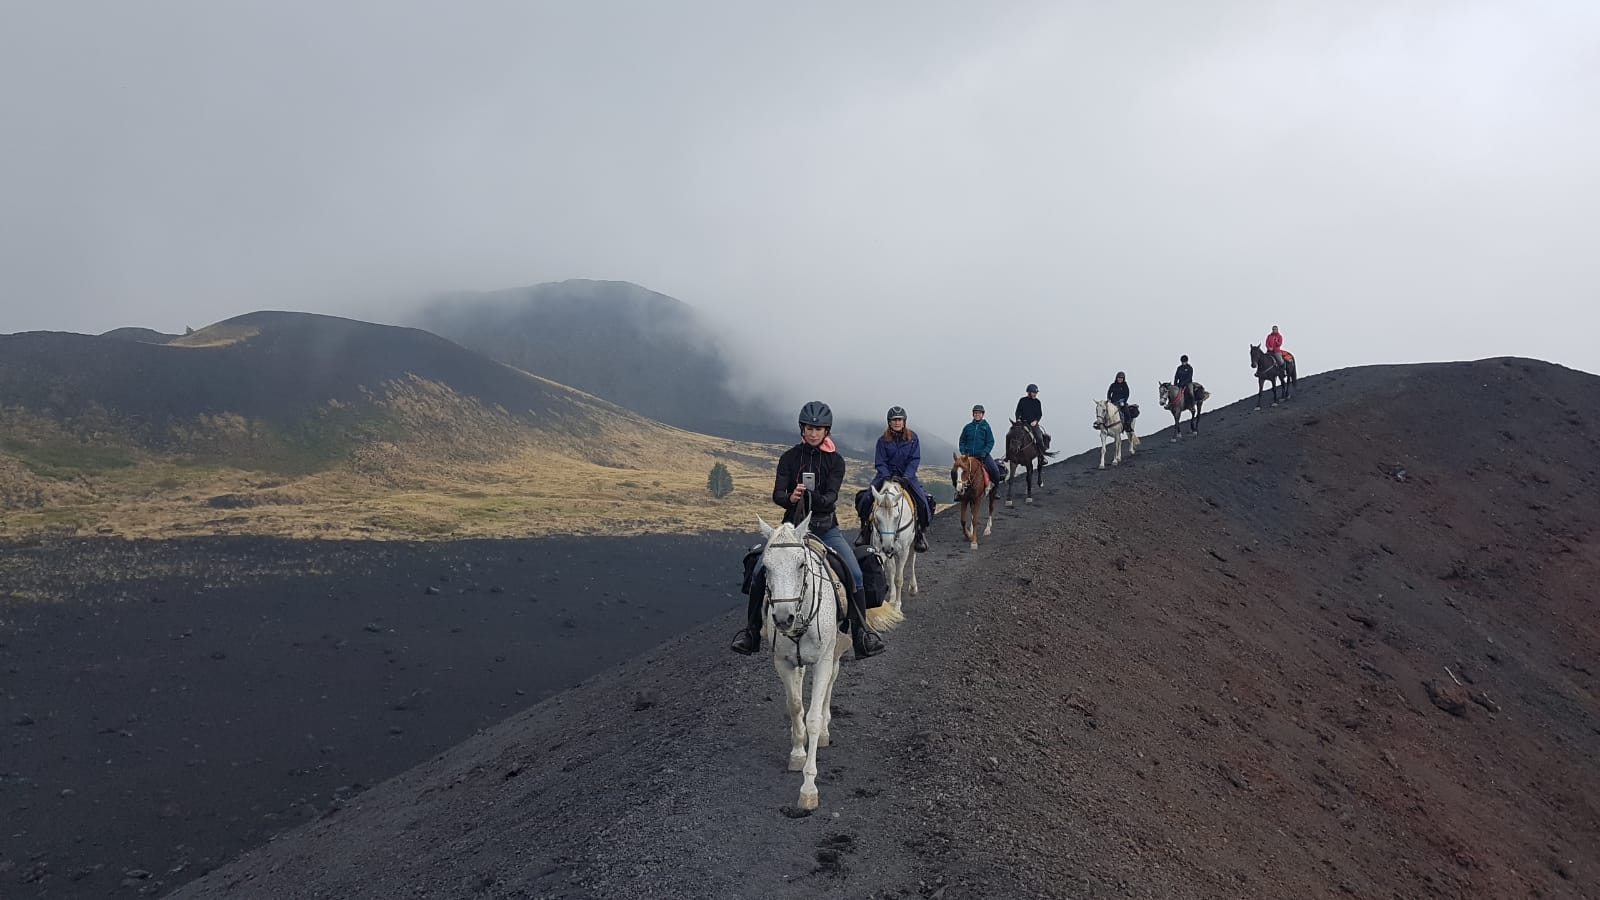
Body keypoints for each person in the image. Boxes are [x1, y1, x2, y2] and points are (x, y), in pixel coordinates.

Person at [731, 401, 885, 658]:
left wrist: (812, 496)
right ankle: (751, 632)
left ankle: (861, 634)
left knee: (855, 574)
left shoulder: (836, 461)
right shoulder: (789, 458)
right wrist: (790, 498)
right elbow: (777, 494)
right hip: (791, 529)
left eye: (819, 428)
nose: (813, 433)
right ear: (802, 429)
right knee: (759, 571)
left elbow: (831, 498)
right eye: (809, 428)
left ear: (827, 431)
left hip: (826, 529)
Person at [854, 406, 932, 553]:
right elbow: (880, 462)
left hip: (906, 478)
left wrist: (906, 477)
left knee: (922, 502)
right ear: (889, 422)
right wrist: (887, 476)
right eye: (894, 420)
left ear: (904, 421)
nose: (897, 422)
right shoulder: (882, 440)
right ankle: (865, 530)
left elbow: (914, 459)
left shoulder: (913, 438)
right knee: (865, 499)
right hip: (885, 477)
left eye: (899, 420)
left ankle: (920, 533)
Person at [958, 404, 1003, 489]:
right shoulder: (967, 427)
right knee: (957, 471)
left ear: (982, 414)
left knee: (995, 471)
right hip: (968, 456)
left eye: (979, 413)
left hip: (982, 456)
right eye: (975, 413)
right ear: (973, 414)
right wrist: (963, 452)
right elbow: (962, 441)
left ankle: (995, 490)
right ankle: (958, 491)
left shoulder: (986, 427)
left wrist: (985, 452)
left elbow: (990, 441)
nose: (977, 415)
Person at [1013, 383, 1049, 463]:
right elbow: (1018, 411)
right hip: (1022, 423)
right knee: (1011, 434)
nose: (1035, 394)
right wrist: (1018, 419)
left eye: (1036, 392)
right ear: (1029, 392)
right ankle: (1009, 455)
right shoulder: (1022, 400)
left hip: (1033, 424)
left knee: (1039, 437)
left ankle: (1041, 456)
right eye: (1033, 392)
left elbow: (1039, 414)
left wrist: (1036, 421)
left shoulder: (1037, 402)